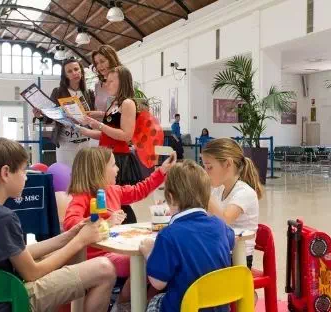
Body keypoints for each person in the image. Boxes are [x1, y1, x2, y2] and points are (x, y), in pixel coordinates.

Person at [0, 137, 115, 312]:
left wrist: (70, 236)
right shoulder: (2, 218)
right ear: (5, 173)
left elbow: (19, 253)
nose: (26, 177)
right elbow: (32, 273)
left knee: (74, 255)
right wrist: (80, 241)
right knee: (105, 269)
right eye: (24, 171)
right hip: (9, 300)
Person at [64, 147, 176, 302]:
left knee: (156, 259)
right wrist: (104, 223)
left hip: (116, 252)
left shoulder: (113, 190)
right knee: (146, 260)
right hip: (97, 257)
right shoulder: (82, 196)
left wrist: (162, 171)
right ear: (98, 170)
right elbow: (70, 223)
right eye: (113, 165)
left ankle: (143, 303)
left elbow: (140, 190)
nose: (118, 169)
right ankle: (123, 304)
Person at [139, 160, 234, 312]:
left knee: (153, 301)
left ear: (170, 197)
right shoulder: (220, 226)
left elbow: (158, 283)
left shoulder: (168, 235)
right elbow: (230, 240)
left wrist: (148, 252)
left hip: (185, 307)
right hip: (219, 305)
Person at [80, 66, 144, 224]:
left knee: (119, 200)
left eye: (110, 81)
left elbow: (126, 135)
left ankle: (126, 227)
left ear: (122, 82)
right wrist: (86, 131)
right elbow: (109, 134)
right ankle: (111, 224)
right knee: (108, 198)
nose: (106, 84)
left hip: (119, 158)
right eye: (106, 81)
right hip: (108, 155)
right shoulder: (115, 102)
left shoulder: (128, 103)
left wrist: (98, 125)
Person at [202, 138, 262, 268]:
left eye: (209, 167)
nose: (206, 173)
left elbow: (225, 219)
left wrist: (204, 192)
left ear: (228, 164)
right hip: (220, 253)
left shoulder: (244, 192)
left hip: (237, 259)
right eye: (205, 168)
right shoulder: (219, 190)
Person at [33, 58, 97, 167]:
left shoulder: (89, 93)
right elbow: (49, 118)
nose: (74, 73)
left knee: (85, 178)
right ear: (65, 75)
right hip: (65, 144)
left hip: (86, 142)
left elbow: (93, 116)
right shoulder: (58, 92)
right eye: (70, 71)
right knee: (67, 177)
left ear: (81, 71)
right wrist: (39, 116)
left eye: (76, 69)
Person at [89, 45, 123, 114]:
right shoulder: (98, 85)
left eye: (102, 61)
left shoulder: (122, 80)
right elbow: (97, 108)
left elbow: (123, 111)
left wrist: (100, 114)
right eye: (96, 63)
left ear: (112, 60)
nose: (99, 66)